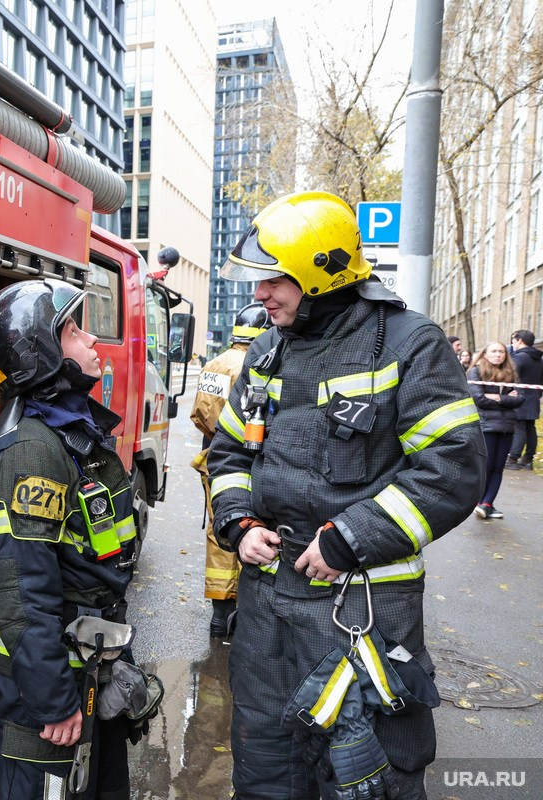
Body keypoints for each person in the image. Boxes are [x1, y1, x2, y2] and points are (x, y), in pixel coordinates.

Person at [207, 191, 486, 800]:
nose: (260, 295)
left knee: (366, 775)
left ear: (319, 271)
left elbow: (453, 467)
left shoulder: (408, 343)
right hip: (265, 609)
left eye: (274, 280)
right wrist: (239, 522)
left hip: (361, 610)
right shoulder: (265, 351)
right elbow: (228, 453)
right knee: (266, 763)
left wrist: (352, 539)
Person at [0, 279, 152, 800]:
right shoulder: (32, 452)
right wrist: (54, 700)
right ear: (42, 355)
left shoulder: (72, 436)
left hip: (92, 674)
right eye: (73, 330)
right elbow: (19, 592)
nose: (94, 340)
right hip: (52, 698)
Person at [191, 302, 272, 636]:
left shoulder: (215, 363)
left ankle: (219, 612)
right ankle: (244, 613)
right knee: (249, 527)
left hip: (212, 455)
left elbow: (199, 413)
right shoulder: (259, 364)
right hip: (246, 458)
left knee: (218, 530)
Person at [468, 341, 522, 518]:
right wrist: (505, 398)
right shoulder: (476, 372)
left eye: (501, 351)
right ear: (485, 354)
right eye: (494, 351)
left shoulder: (511, 374)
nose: (498, 354)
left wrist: (496, 397)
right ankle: (478, 501)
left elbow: (520, 399)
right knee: (487, 466)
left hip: (507, 427)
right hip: (486, 426)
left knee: (498, 467)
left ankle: (487, 503)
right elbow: (478, 399)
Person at [507, 329, 541, 470]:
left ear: (520, 340)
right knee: (530, 428)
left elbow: (511, 376)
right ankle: (528, 459)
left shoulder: (519, 358)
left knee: (519, 428)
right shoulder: (539, 359)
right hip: (533, 398)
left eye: (513, 340)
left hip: (520, 397)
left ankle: (513, 458)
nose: (512, 344)